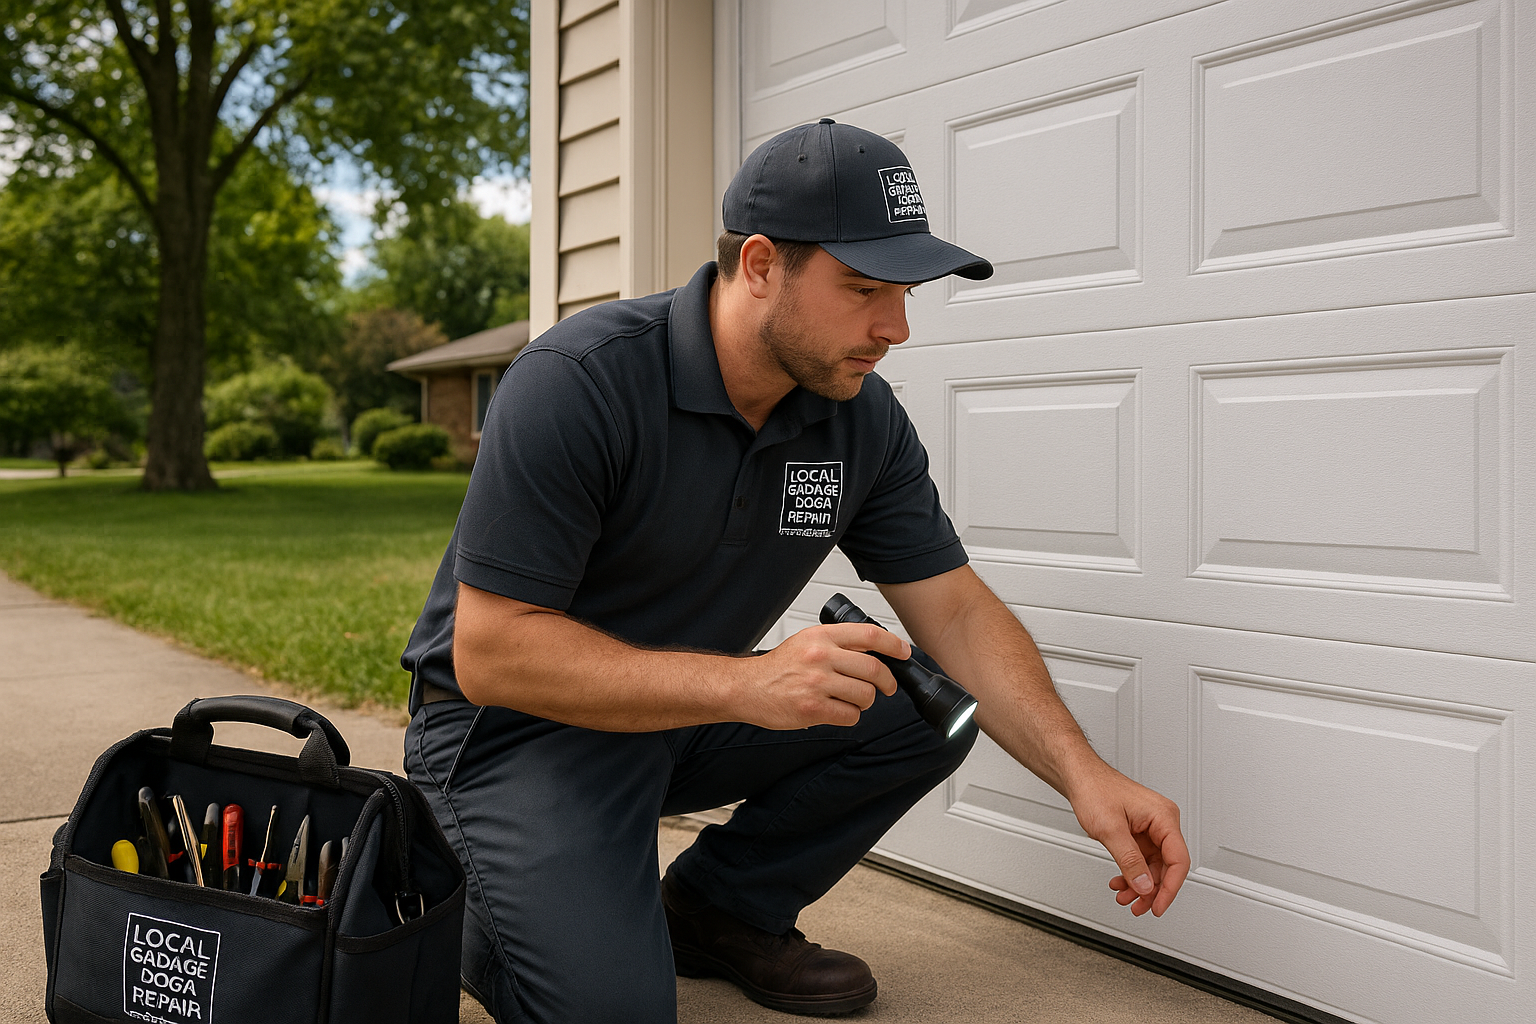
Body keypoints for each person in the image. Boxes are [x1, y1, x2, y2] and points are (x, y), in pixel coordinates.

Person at [399, 118, 1189, 1023]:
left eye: (905, 294)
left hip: (684, 716)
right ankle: (450, 897)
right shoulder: (580, 381)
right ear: (762, 265)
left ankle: (719, 910)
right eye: (864, 289)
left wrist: (1085, 775)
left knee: (924, 707)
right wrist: (750, 685)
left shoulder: (859, 418)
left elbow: (958, 614)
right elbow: (493, 654)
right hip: (511, 735)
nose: (895, 328)